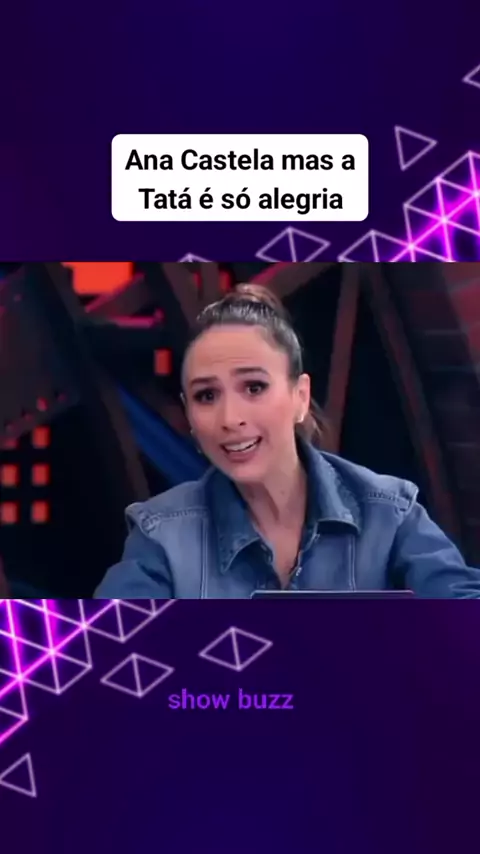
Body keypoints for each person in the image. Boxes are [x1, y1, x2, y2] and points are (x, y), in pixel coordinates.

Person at [94, 284, 480, 599]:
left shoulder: (389, 512)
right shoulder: (160, 534)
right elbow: (110, 644)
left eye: (254, 387)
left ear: (300, 397)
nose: (230, 419)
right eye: (206, 396)